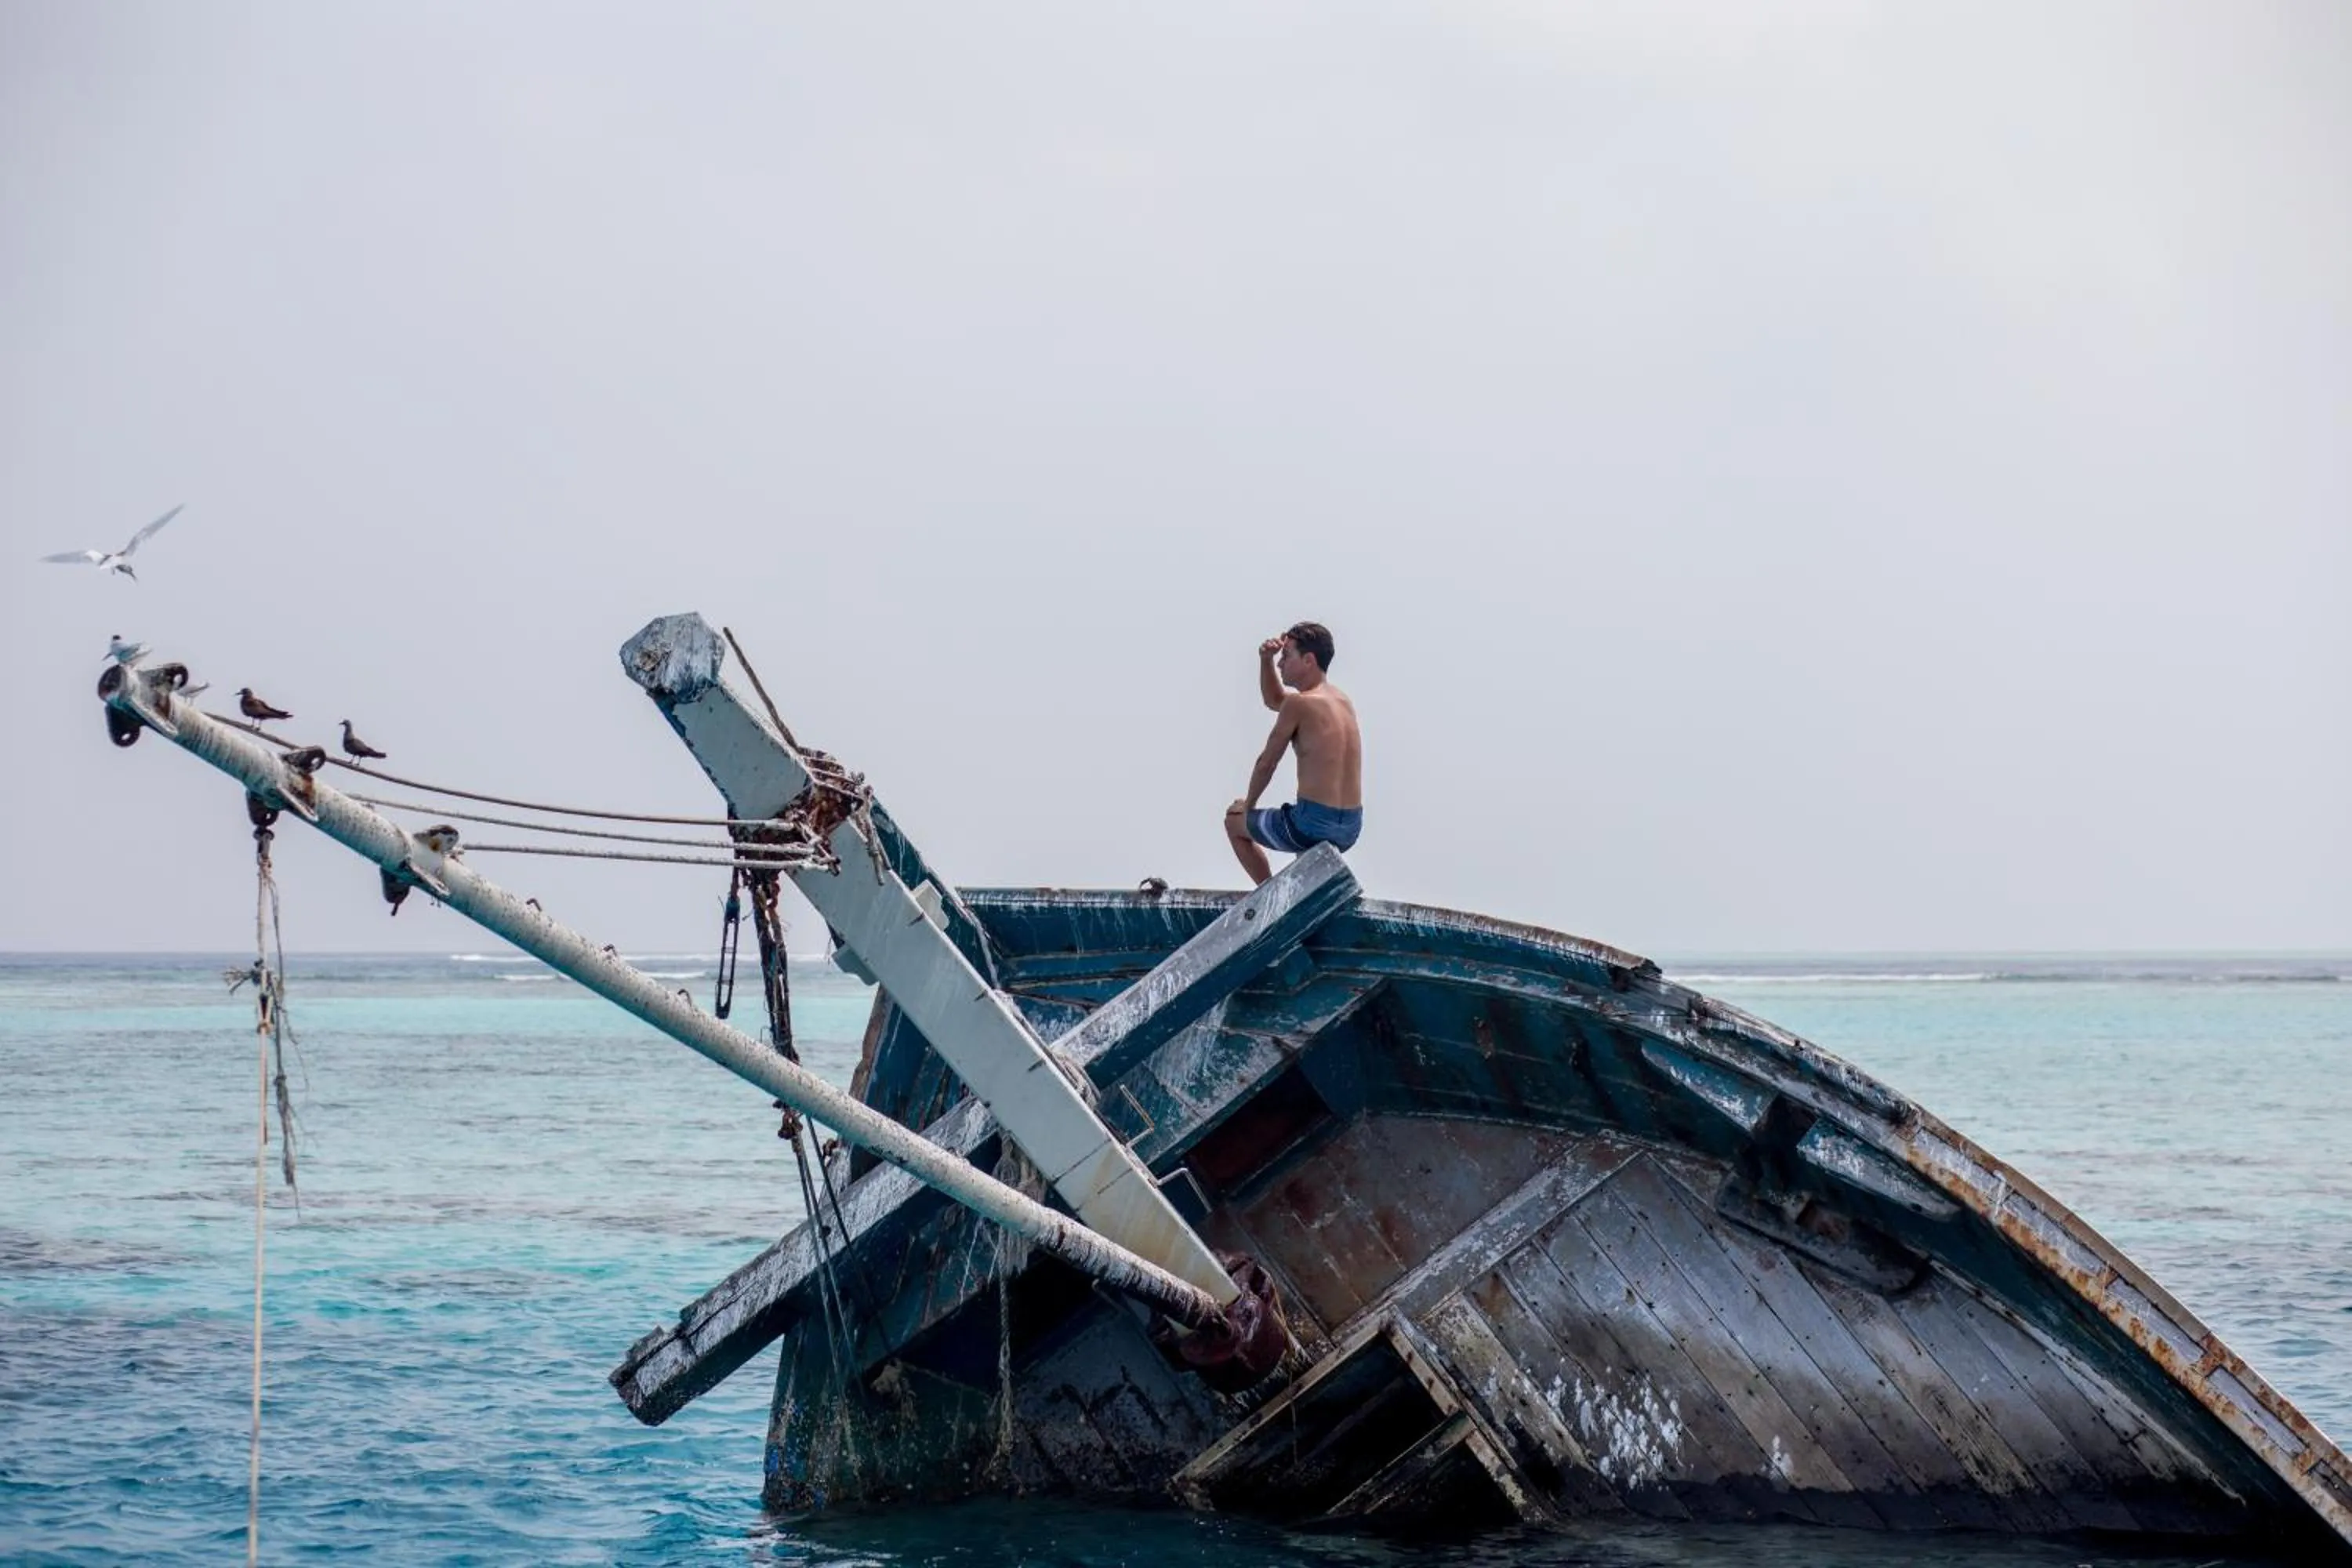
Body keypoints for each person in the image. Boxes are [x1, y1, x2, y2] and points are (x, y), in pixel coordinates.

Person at [1225, 622, 1363, 885]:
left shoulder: (1300, 703)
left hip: (1311, 824)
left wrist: (1248, 806)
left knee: (1234, 823)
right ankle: (1304, 894)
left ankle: (1270, 896)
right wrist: (1265, 660)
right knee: (1301, 844)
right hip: (1351, 828)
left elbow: (1267, 763)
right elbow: (1274, 701)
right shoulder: (1343, 701)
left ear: (1309, 660)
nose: (1280, 664)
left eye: (1286, 656)